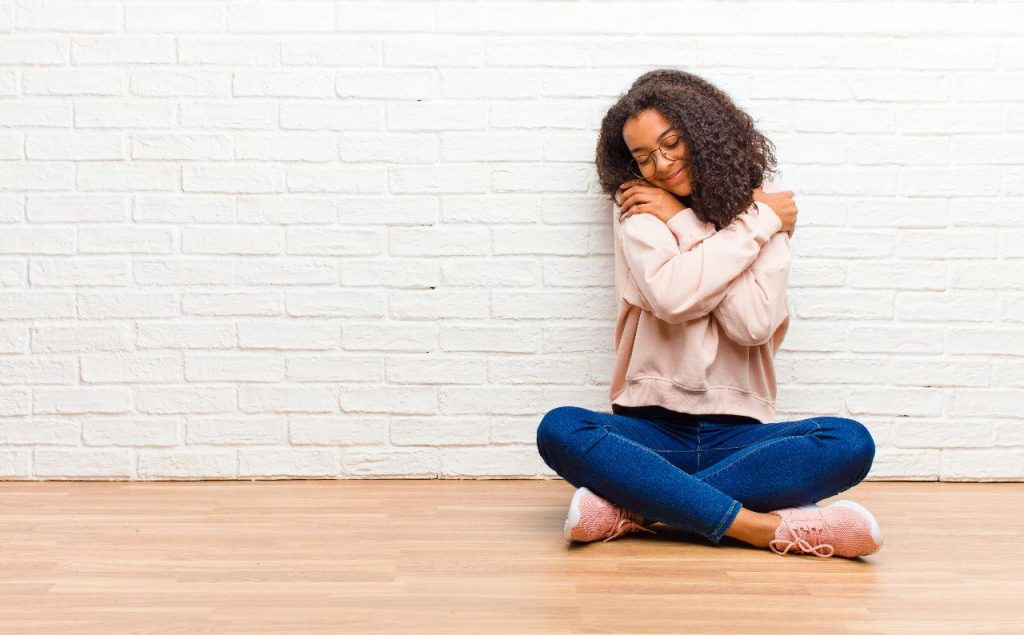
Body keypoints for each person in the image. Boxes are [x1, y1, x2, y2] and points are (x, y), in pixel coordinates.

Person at [535, 69, 882, 559]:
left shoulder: (760, 214)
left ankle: (639, 507)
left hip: (741, 438)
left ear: (702, 131)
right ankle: (761, 529)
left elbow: (752, 324)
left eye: (671, 142)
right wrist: (752, 225)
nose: (661, 164)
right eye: (643, 156)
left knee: (849, 441)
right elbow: (675, 298)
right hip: (650, 431)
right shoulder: (639, 208)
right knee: (561, 428)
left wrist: (688, 222)